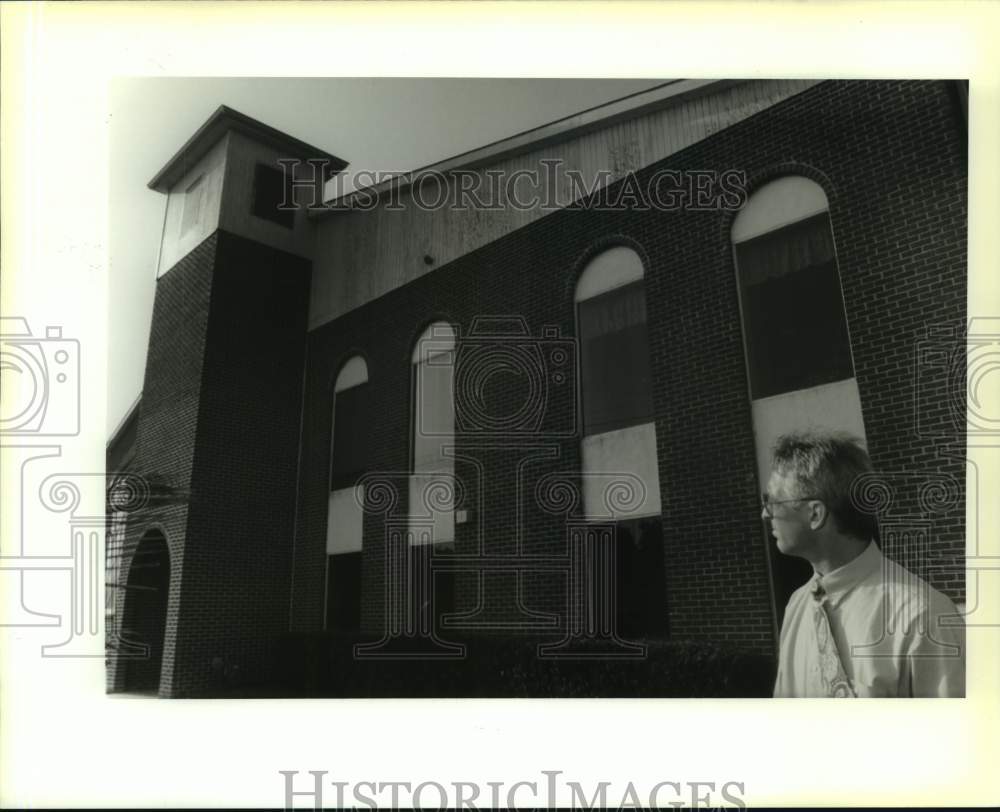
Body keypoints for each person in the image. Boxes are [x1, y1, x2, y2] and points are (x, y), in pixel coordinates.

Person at [765, 430, 964, 698]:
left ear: (815, 514)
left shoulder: (923, 617)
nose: (765, 513)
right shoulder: (797, 605)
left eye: (773, 501)